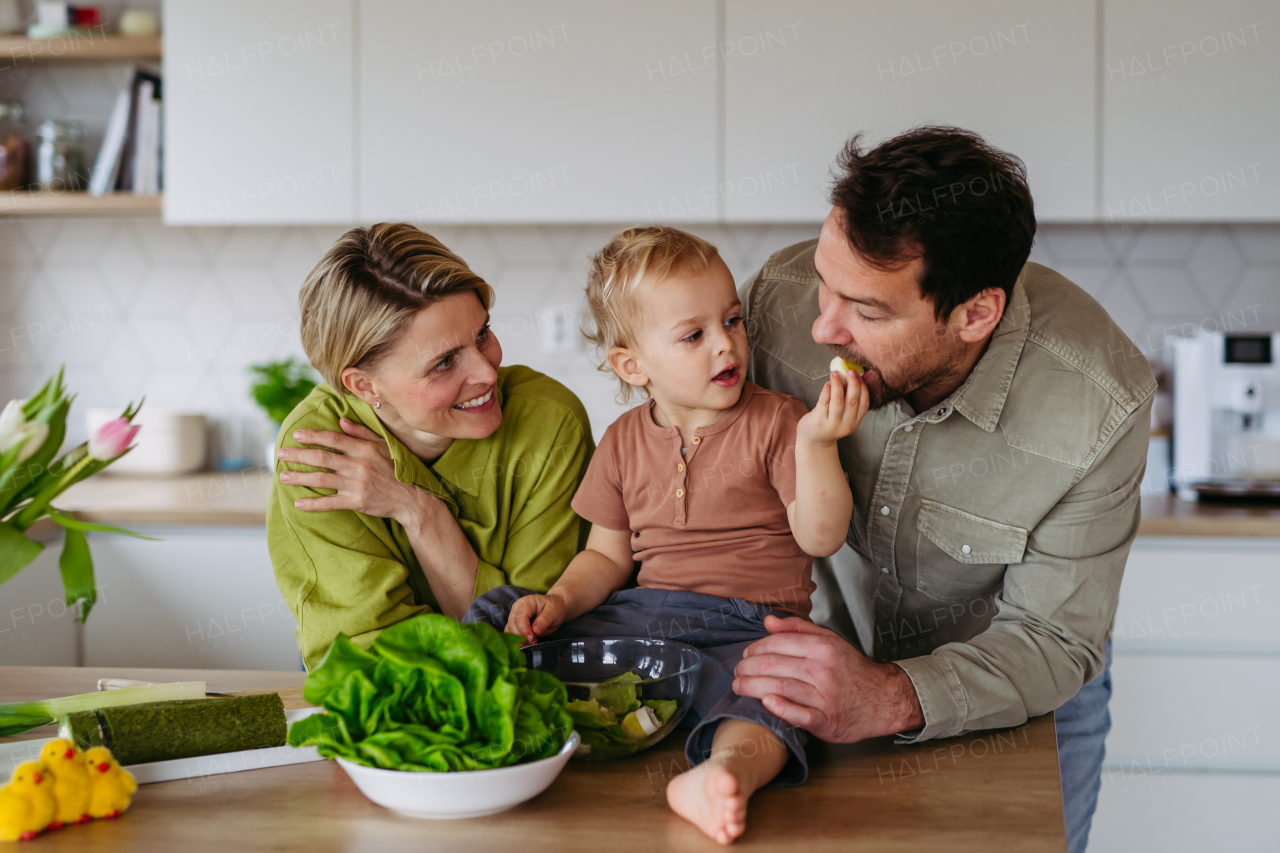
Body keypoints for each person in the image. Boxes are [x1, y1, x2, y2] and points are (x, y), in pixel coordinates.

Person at [730, 126, 1154, 853]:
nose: (821, 326)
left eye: (865, 311)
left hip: (1013, 700)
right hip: (810, 673)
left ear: (975, 315)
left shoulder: (1099, 401)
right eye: (824, 282)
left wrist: (888, 694)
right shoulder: (779, 301)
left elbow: (1051, 638)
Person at [464, 226, 867, 846]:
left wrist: (817, 445)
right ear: (633, 365)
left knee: (786, 696)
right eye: (693, 335)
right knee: (498, 612)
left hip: (748, 626)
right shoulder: (622, 439)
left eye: (732, 321)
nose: (725, 345)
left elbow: (820, 537)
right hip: (639, 623)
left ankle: (720, 776)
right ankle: (477, 723)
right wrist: (562, 603)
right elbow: (604, 557)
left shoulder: (779, 421)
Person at [267, 223, 594, 670]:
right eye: (444, 362)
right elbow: (364, 658)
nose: (486, 372)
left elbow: (531, 648)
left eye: (482, 334)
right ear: (363, 385)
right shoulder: (320, 448)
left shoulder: (548, 423)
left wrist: (418, 511)